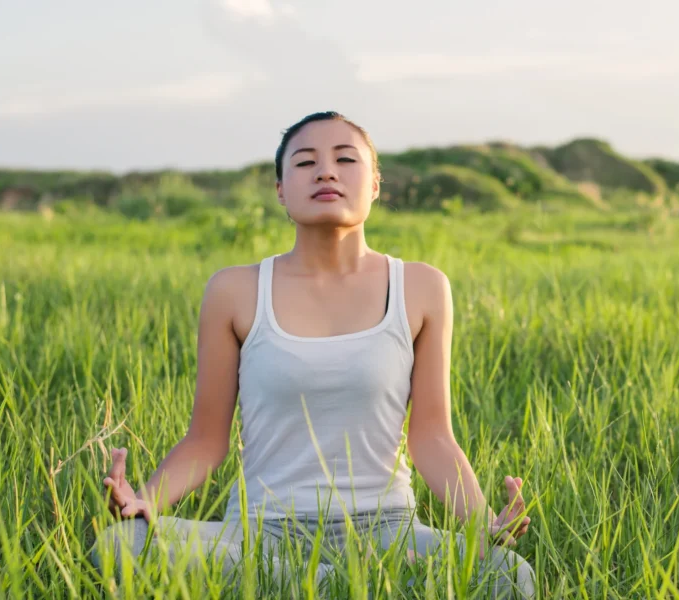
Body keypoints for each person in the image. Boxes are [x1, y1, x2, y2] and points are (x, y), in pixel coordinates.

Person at [90, 111, 536, 598]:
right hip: (262, 533)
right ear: (281, 189)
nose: (326, 171)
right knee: (121, 545)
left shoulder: (423, 287)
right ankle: (353, 586)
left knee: (509, 574)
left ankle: (315, 586)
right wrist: (147, 502)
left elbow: (432, 437)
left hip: (388, 532)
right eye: (305, 163)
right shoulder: (234, 290)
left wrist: (482, 523)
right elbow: (205, 440)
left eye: (346, 159)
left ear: (375, 184)